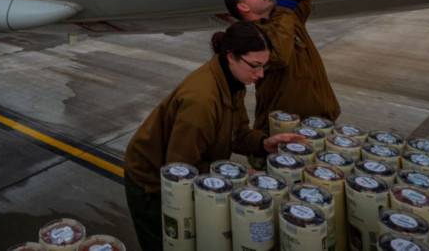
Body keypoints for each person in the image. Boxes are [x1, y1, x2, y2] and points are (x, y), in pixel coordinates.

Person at [123, 21, 306, 251]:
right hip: (151, 182)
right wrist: (235, 176)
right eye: (255, 66)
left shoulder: (233, 81)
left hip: (182, 167)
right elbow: (179, 169)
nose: (260, 75)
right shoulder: (201, 101)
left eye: (264, 67)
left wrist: (262, 143)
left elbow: (236, 132)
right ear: (231, 56)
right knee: (168, 241)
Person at [223, 0, 340, 134]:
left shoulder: (287, 17)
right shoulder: (248, 35)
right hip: (281, 132)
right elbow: (279, 56)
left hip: (320, 124)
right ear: (243, 7)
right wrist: (285, 9)